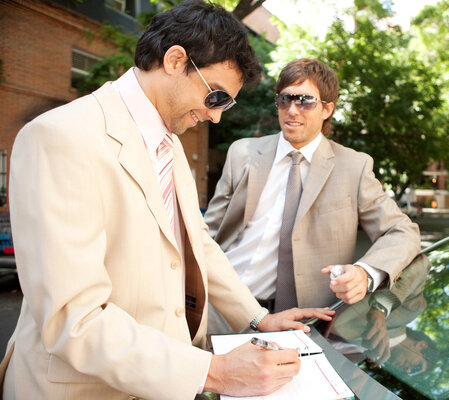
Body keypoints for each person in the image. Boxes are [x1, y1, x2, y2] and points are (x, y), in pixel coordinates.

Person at [0, 2, 333, 399]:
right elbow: (74, 318)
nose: (216, 118)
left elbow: (198, 246)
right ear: (175, 60)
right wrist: (214, 372)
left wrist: (258, 317)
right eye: (216, 98)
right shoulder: (59, 137)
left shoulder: (170, 147)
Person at [204, 58, 421, 332]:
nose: (292, 110)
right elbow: (206, 235)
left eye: (305, 101)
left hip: (306, 325)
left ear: (327, 109)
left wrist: (365, 273)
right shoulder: (242, 153)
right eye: (284, 100)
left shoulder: (354, 167)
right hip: (225, 310)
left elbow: (403, 232)